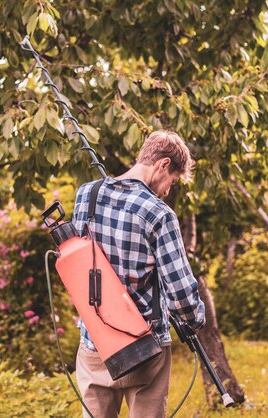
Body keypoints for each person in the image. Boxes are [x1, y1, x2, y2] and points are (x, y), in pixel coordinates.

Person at [71, 129, 206, 418]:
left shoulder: (86, 195)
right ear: (163, 164)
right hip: (145, 347)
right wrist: (195, 319)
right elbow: (181, 293)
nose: (169, 190)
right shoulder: (159, 214)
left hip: (95, 341)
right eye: (173, 180)